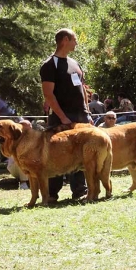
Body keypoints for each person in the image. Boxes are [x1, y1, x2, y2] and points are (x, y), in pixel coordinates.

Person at [39, 28, 89, 202]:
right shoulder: (49, 65)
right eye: (74, 39)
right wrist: (63, 117)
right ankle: (51, 194)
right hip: (61, 119)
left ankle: (80, 191)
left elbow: (83, 89)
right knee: (56, 154)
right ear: (65, 40)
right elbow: (49, 95)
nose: (76, 43)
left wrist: (87, 113)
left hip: (81, 118)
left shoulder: (75, 63)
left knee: (81, 154)